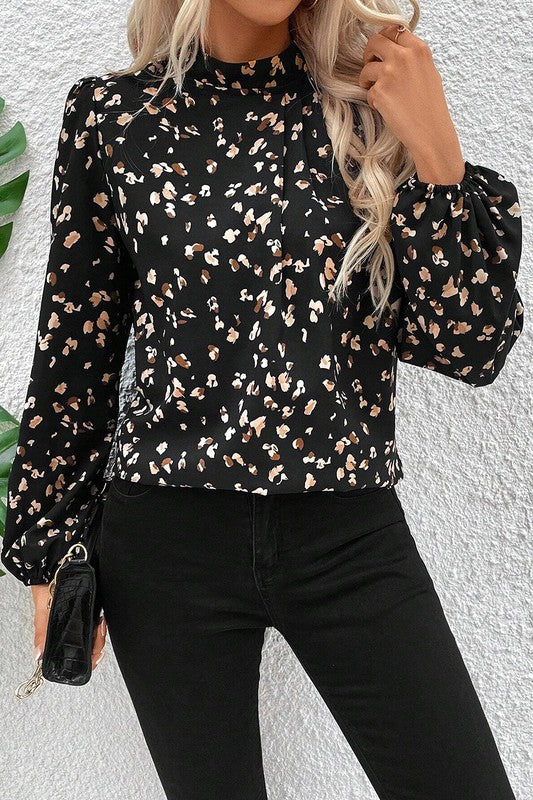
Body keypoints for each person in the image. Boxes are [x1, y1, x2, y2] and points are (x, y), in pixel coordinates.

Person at [2, 1, 523, 798]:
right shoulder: (113, 116)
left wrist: (437, 153)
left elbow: (470, 348)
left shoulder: (369, 109)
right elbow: (78, 342)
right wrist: (49, 546)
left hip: (347, 536)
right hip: (165, 544)